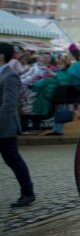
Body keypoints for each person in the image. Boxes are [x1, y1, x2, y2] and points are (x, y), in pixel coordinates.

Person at [1, 43, 35, 208]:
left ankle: (28, 192)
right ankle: (27, 192)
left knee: (13, 159)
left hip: (5, 125)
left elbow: (8, 105)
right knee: (12, 159)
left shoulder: (9, 75)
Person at [31, 54, 80, 136]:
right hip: (59, 94)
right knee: (57, 111)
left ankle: (58, 130)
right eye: (58, 64)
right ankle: (56, 130)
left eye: (61, 64)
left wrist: (54, 75)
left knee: (59, 111)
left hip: (61, 94)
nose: (59, 66)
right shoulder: (65, 70)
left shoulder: (70, 69)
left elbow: (66, 80)